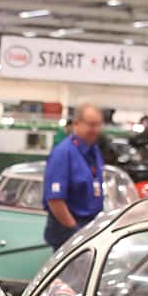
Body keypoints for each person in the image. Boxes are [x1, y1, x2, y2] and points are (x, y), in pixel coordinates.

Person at [41, 103, 107, 249]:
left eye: (98, 125)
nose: (96, 130)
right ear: (76, 124)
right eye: (91, 125)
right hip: (68, 233)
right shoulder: (63, 153)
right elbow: (55, 200)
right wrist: (76, 232)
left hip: (89, 229)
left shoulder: (94, 151)